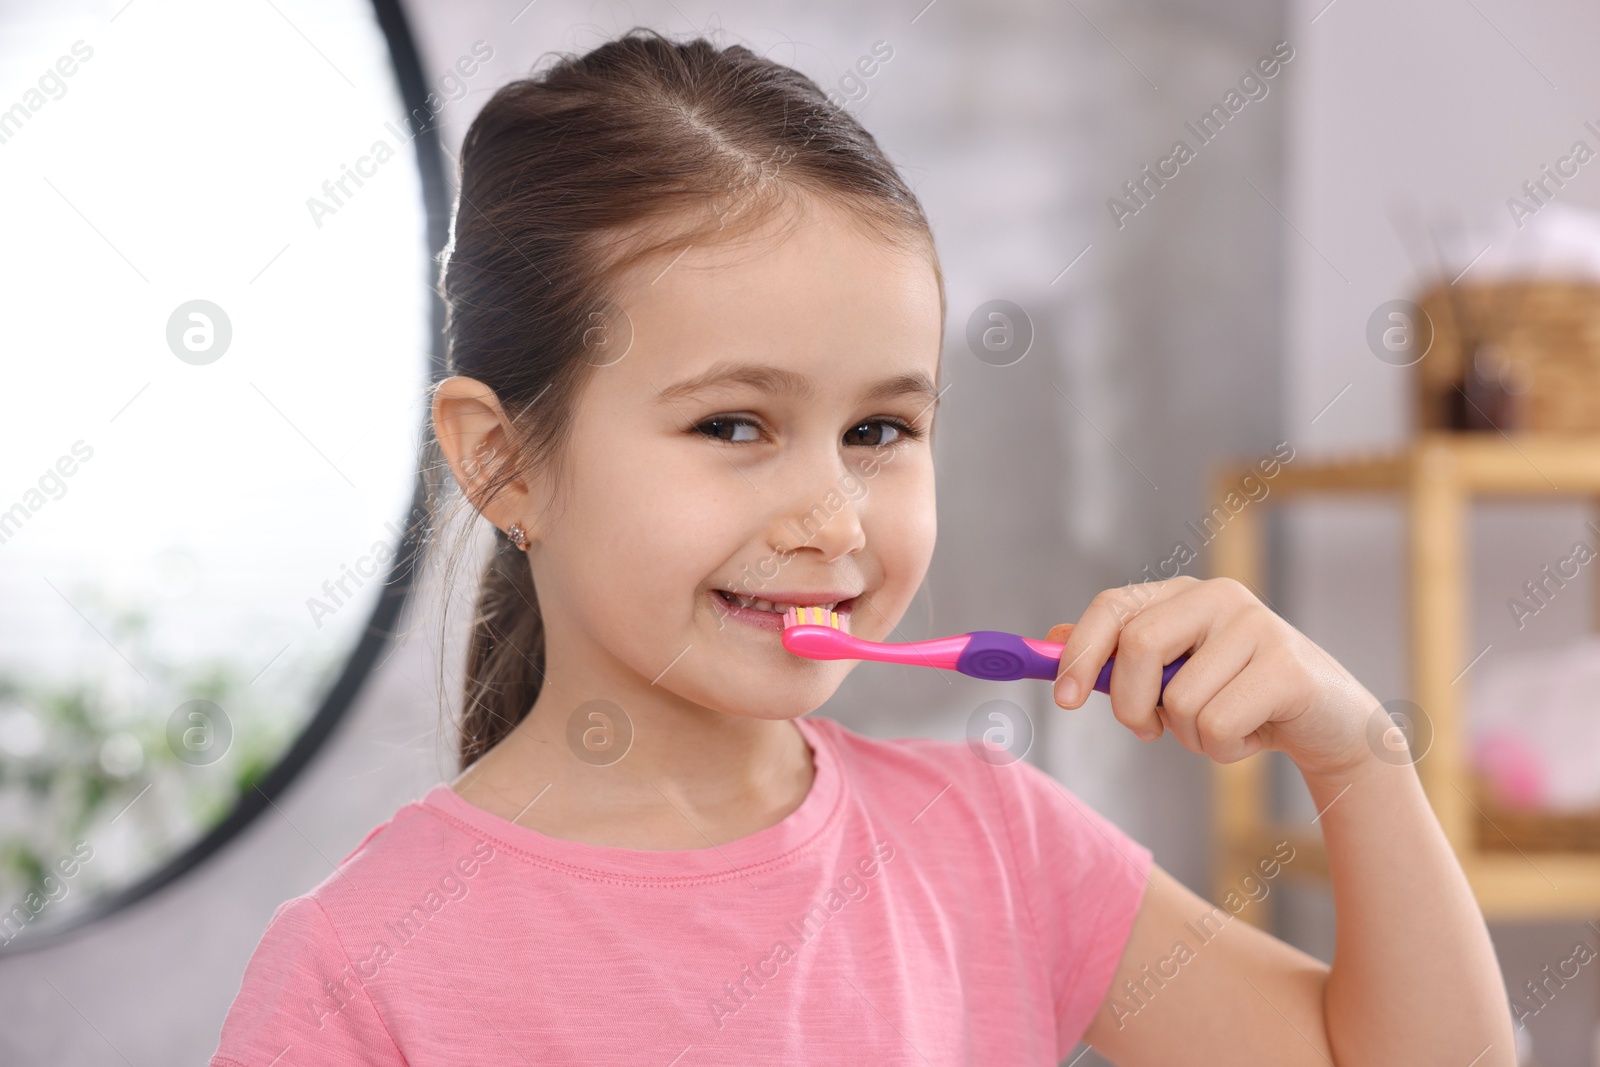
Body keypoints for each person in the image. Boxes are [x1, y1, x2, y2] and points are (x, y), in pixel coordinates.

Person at [210, 27, 1512, 1066]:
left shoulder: (996, 852)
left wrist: (1357, 752)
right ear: (502, 460)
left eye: (882, 429)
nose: (831, 517)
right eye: (733, 422)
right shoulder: (357, 973)